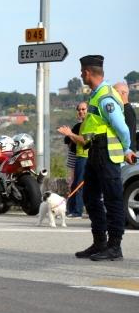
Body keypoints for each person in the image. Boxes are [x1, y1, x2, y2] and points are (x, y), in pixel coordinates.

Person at [75, 55, 137, 261]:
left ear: (87, 72)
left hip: (107, 152)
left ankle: (114, 247)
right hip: (95, 150)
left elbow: (121, 127)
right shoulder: (96, 94)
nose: (80, 75)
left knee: (112, 199)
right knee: (90, 197)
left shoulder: (105, 97)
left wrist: (127, 148)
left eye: (81, 72)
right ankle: (100, 242)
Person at [57, 102, 87, 218]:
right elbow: (74, 142)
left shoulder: (88, 123)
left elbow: (84, 141)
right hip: (78, 156)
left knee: (78, 184)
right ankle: (71, 210)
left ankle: (76, 211)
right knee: (75, 183)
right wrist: (69, 135)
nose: (81, 111)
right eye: (79, 109)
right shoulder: (80, 125)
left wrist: (70, 134)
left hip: (84, 156)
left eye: (83, 109)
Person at [114, 82, 137, 151]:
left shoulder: (127, 111)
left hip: (127, 153)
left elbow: (126, 133)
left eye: (115, 92)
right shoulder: (125, 109)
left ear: (123, 93)